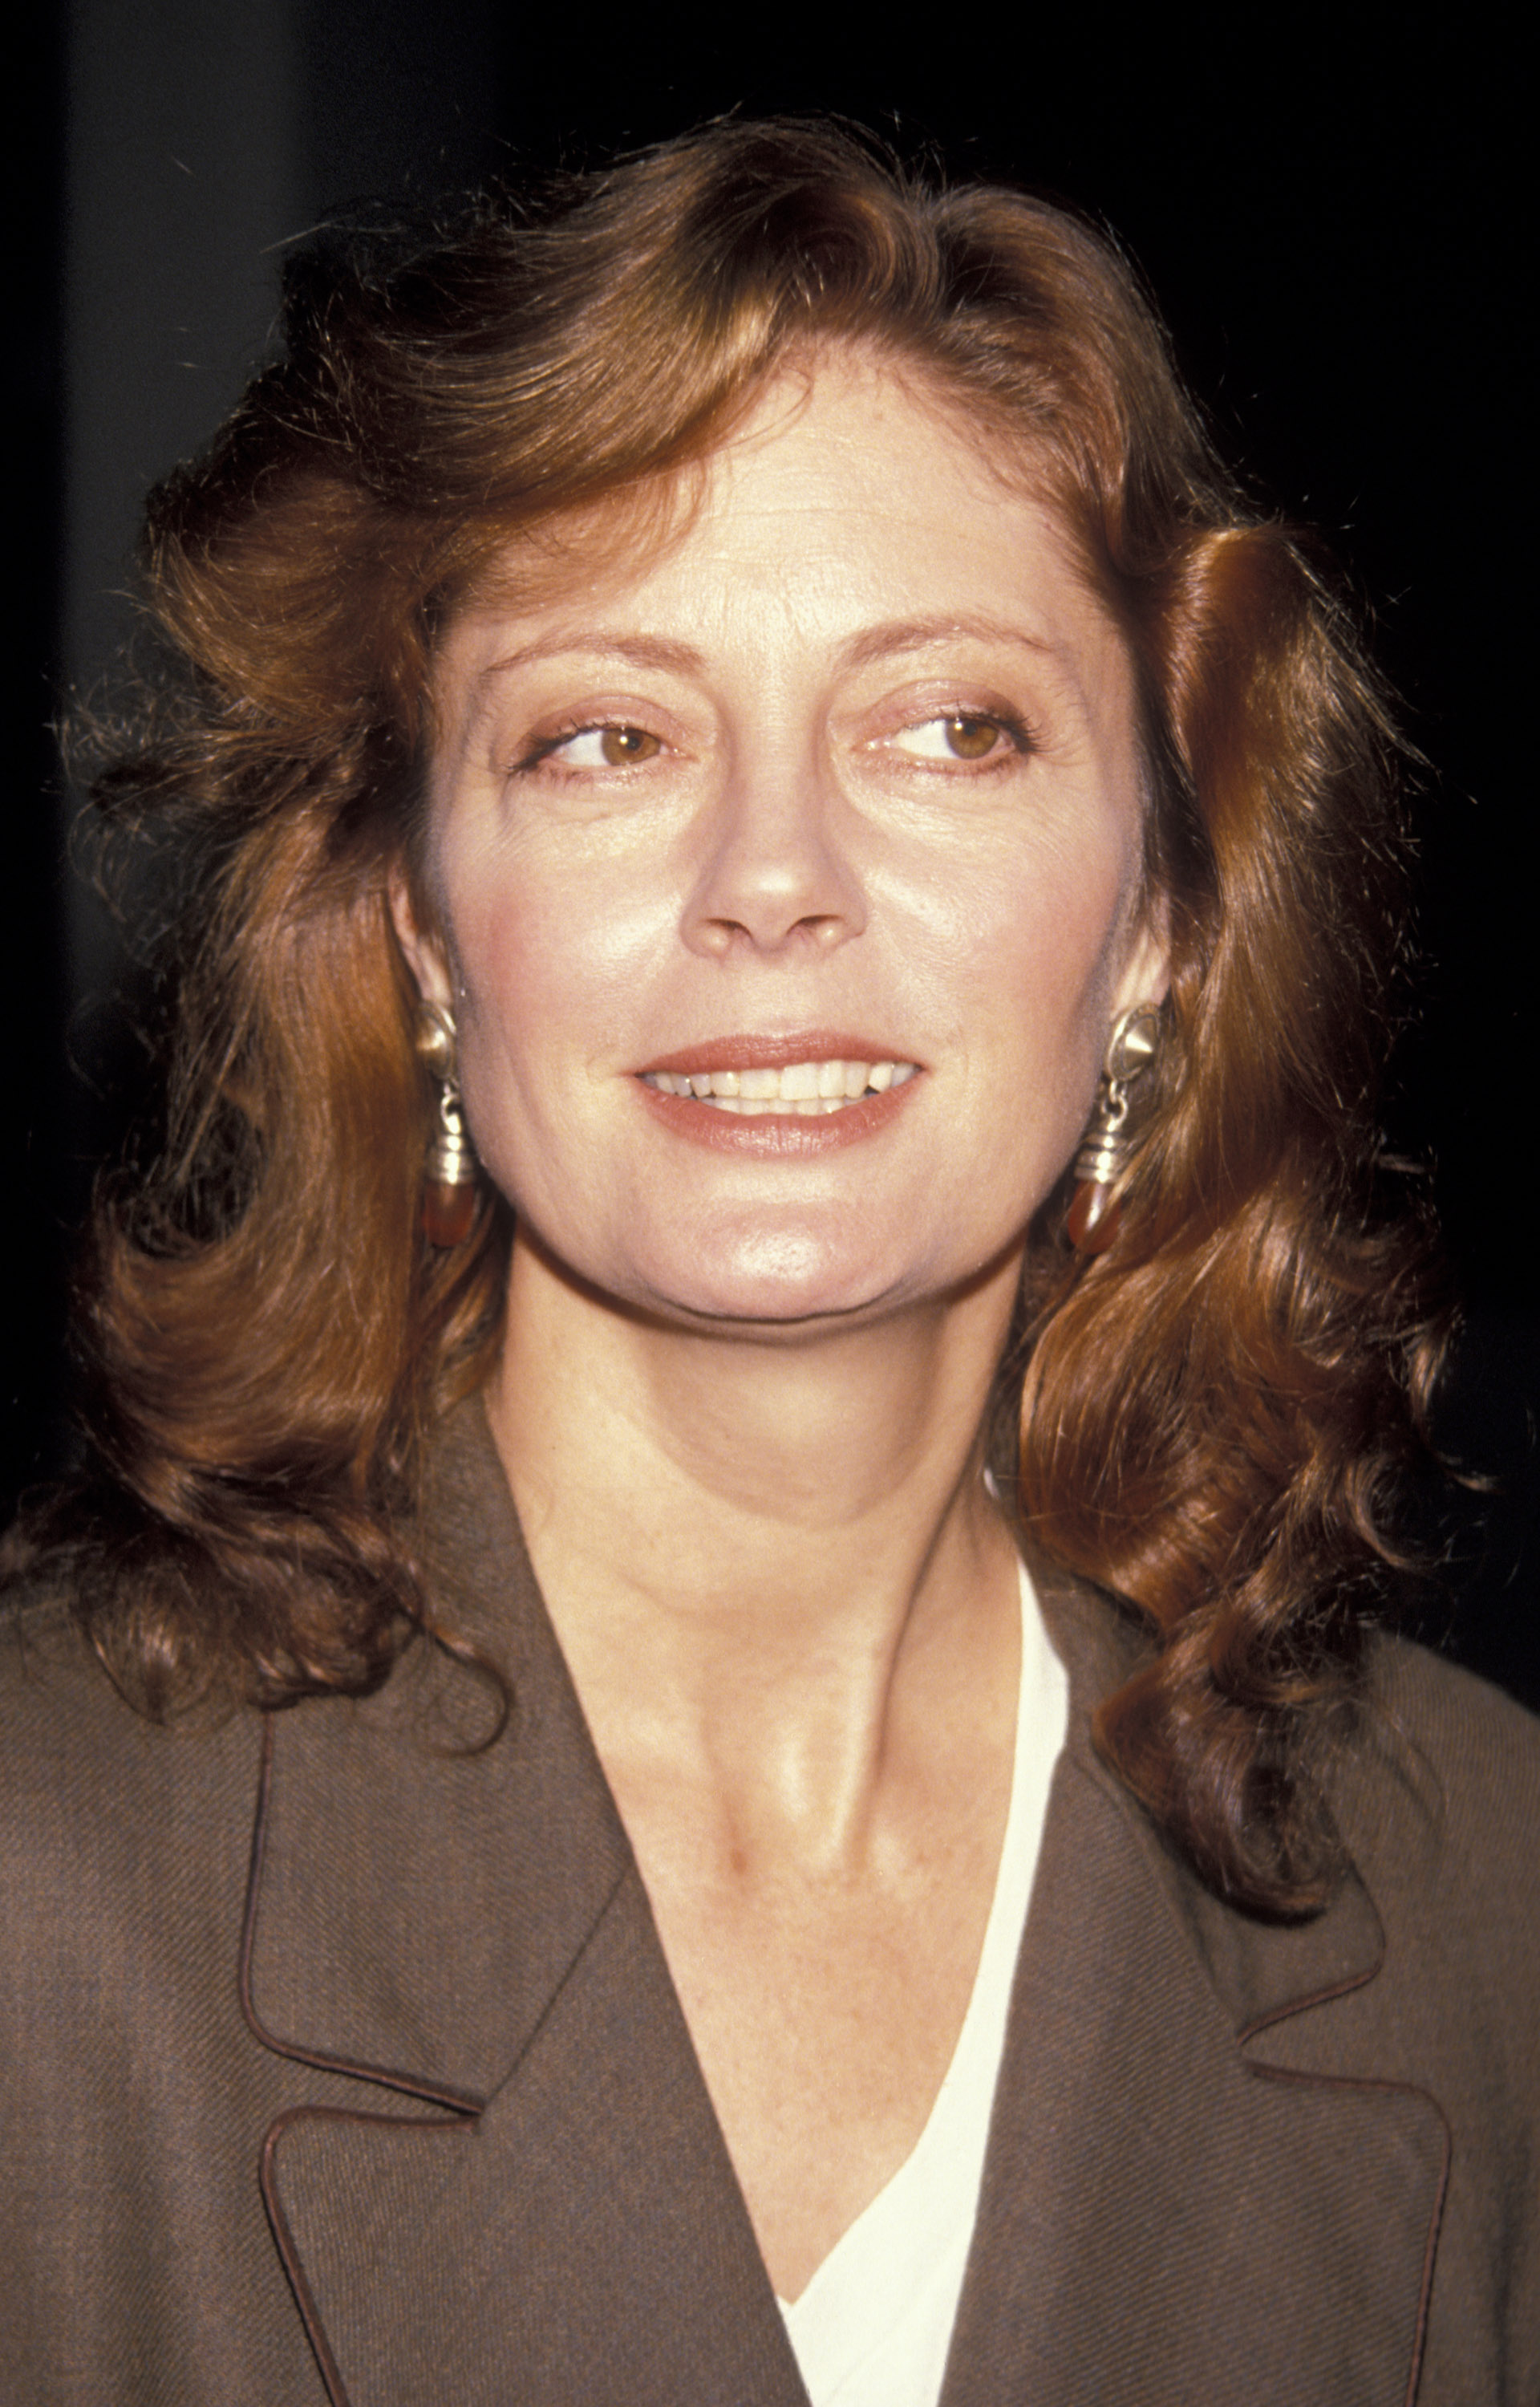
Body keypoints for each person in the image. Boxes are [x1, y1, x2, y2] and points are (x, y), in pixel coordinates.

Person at [2, 119, 1535, 2407]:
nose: (774, 875)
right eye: (609, 736)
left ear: (1154, 929)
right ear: (428, 932)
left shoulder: (1488, 1899)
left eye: (949, 726)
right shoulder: (45, 1894)